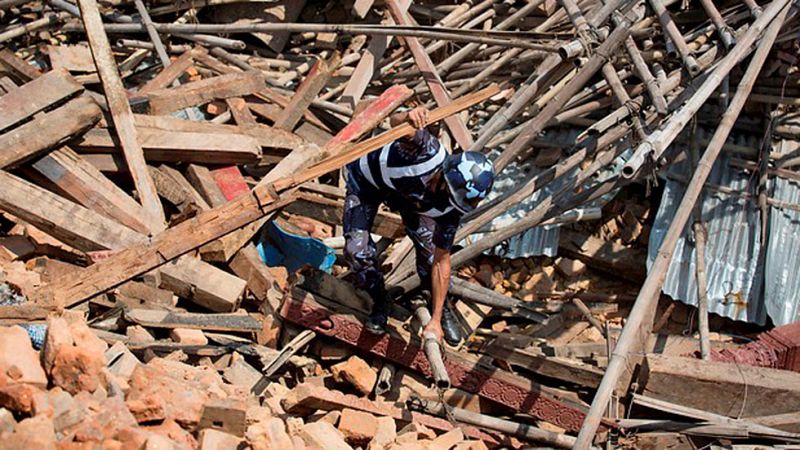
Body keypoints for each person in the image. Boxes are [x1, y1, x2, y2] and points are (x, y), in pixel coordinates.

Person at [342, 106, 495, 345]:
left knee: (429, 257)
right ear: (444, 176)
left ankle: (440, 307)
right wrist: (409, 115)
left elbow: (441, 261)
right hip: (367, 183)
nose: (450, 201)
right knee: (356, 251)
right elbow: (396, 121)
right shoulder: (425, 150)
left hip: (410, 199)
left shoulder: (452, 207)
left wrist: (433, 320)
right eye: (448, 192)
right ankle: (380, 300)